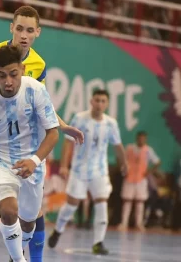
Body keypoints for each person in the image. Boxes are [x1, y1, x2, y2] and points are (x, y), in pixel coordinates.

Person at [0, 5, 83, 262]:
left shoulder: (38, 66)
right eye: (19, 28)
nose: (23, 35)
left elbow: (43, 105)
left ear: (37, 33)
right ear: (11, 27)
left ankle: (26, 257)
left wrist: (61, 126)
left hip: (25, 146)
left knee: (32, 213)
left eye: (29, 30)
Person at [48, 89, 128, 255]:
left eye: (103, 101)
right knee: (71, 205)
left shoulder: (111, 123)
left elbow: (118, 145)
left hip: (100, 171)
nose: (99, 104)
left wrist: (124, 163)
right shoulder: (80, 119)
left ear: (106, 104)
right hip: (79, 170)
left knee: (101, 202)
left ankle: (98, 242)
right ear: (91, 101)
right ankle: (58, 229)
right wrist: (64, 165)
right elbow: (68, 142)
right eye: (97, 100)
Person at [118, 131, 160, 232]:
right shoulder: (129, 148)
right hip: (129, 177)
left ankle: (139, 223)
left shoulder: (148, 150)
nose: (141, 140)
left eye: (143, 138)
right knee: (127, 201)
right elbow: (121, 158)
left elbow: (157, 162)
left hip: (141, 179)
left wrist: (149, 172)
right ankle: (124, 223)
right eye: (140, 138)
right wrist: (123, 169)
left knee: (140, 202)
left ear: (145, 139)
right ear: (137, 138)